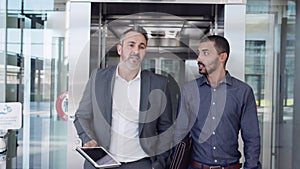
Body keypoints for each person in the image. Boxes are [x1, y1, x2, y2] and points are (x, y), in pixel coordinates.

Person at [73, 26, 174, 169]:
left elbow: (166, 129)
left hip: (141, 162)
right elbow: (81, 115)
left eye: (141, 47)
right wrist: (88, 139)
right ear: (120, 49)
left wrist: (160, 163)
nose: (136, 51)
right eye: (131, 45)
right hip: (102, 162)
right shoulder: (99, 78)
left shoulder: (159, 83)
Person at [174, 35, 261, 169]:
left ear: (222, 57)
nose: (199, 58)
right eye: (199, 53)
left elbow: (252, 139)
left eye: (205, 53)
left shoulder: (243, 92)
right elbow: (179, 134)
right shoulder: (189, 90)